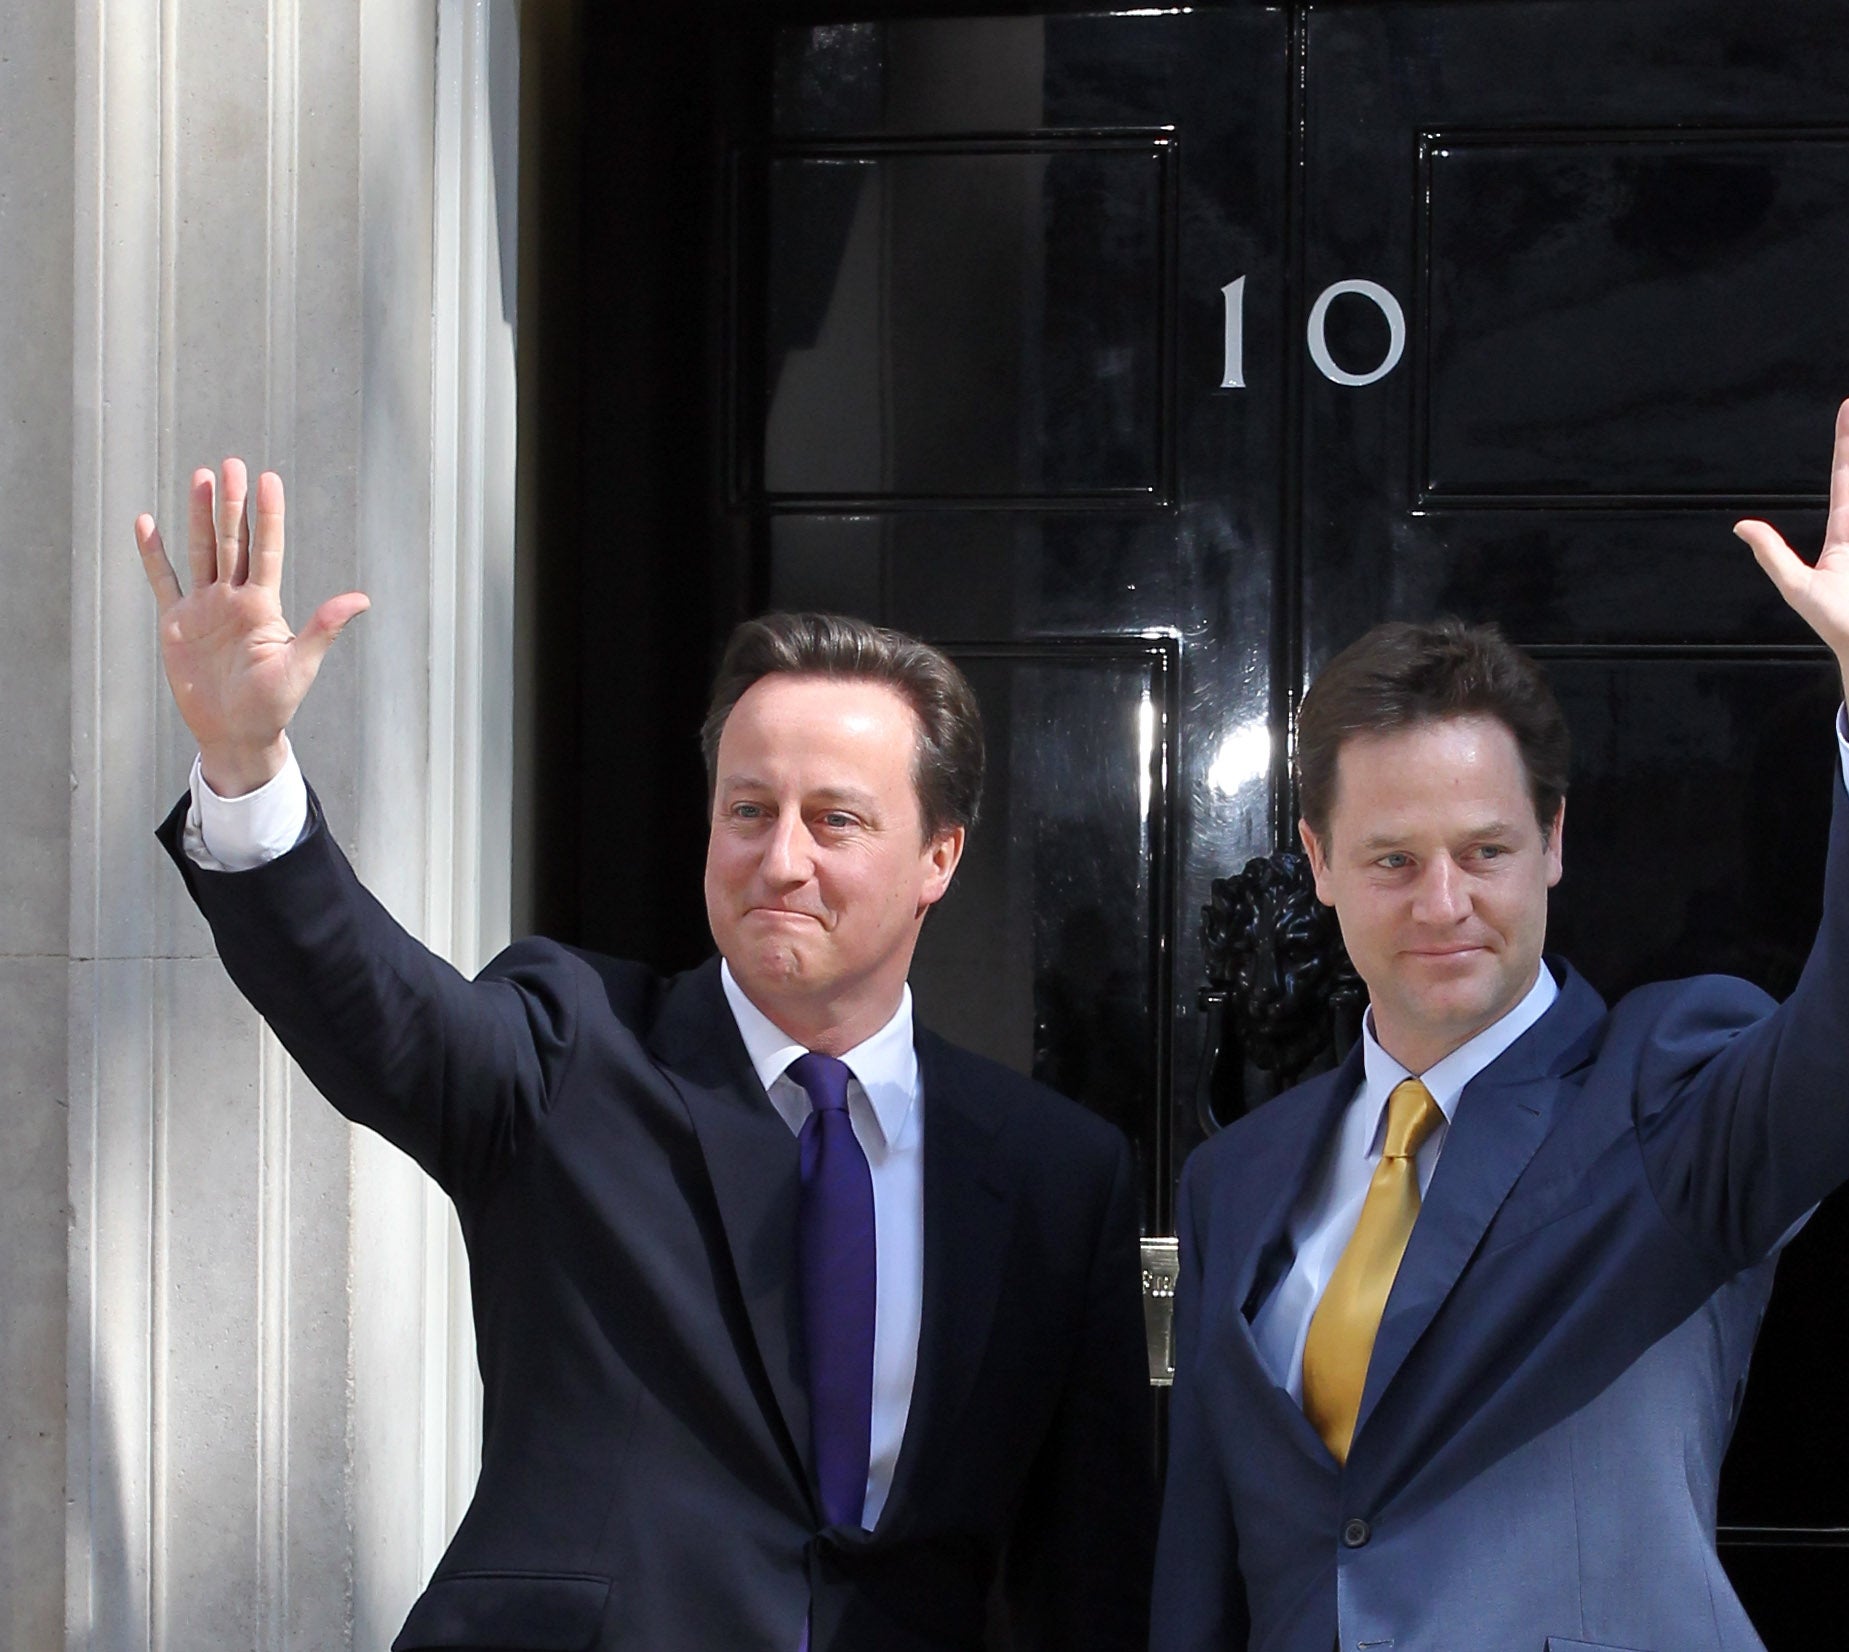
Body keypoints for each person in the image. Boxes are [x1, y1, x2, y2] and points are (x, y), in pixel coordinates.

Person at [132, 464, 1154, 1652]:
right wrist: (247, 767)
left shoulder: (1054, 1175)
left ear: (939, 854)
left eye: (836, 819)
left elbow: (1092, 1567)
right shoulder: (571, 1050)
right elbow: (374, 1008)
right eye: (747, 810)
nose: (781, 859)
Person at [1150, 381, 1849, 1652]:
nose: (1444, 902)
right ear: (1320, 861)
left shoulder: (1661, 1090)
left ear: (1554, 843)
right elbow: (1209, 1571)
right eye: (1392, 859)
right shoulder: (1237, 1179)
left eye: (1486, 849)